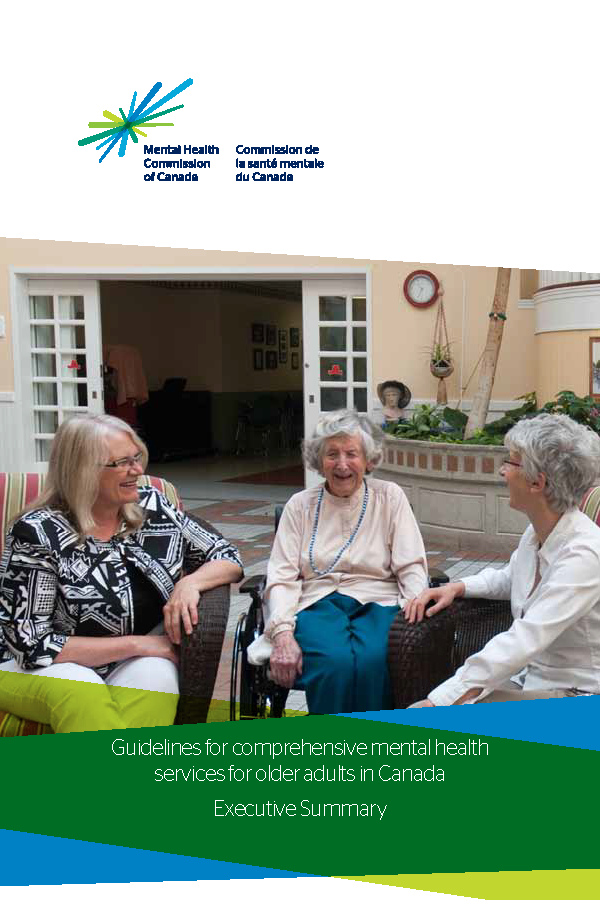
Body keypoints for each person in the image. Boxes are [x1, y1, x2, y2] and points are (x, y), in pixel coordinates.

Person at [0, 414, 243, 732]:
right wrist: (139, 645)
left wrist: (190, 583)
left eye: (136, 457)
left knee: (156, 680)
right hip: (35, 666)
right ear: (83, 471)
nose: (138, 471)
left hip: (130, 660)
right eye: (122, 462)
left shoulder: (152, 508)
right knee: (81, 689)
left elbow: (227, 557)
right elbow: (29, 643)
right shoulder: (37, 532)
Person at [405, 413, 600, 707]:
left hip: (578, 694)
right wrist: (457, 587)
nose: (502, 471)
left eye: (511, 462)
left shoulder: (584, 555)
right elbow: (511, 576)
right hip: (530, 680)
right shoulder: (538, 532)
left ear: (537, 482)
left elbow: (525, 637)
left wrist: (438, 701)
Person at [247, 409, 427, 714]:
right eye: (332, 454)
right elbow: (282, 576)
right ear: (319, 461)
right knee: (334, 661)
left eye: (352, 454)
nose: (342, 464)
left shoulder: (390, 497)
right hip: (316, 601)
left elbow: (411, 565)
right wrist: (281, 632)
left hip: (380, 599)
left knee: (374, 659)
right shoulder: (300, 506)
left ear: (368, 460)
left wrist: (414, 611)